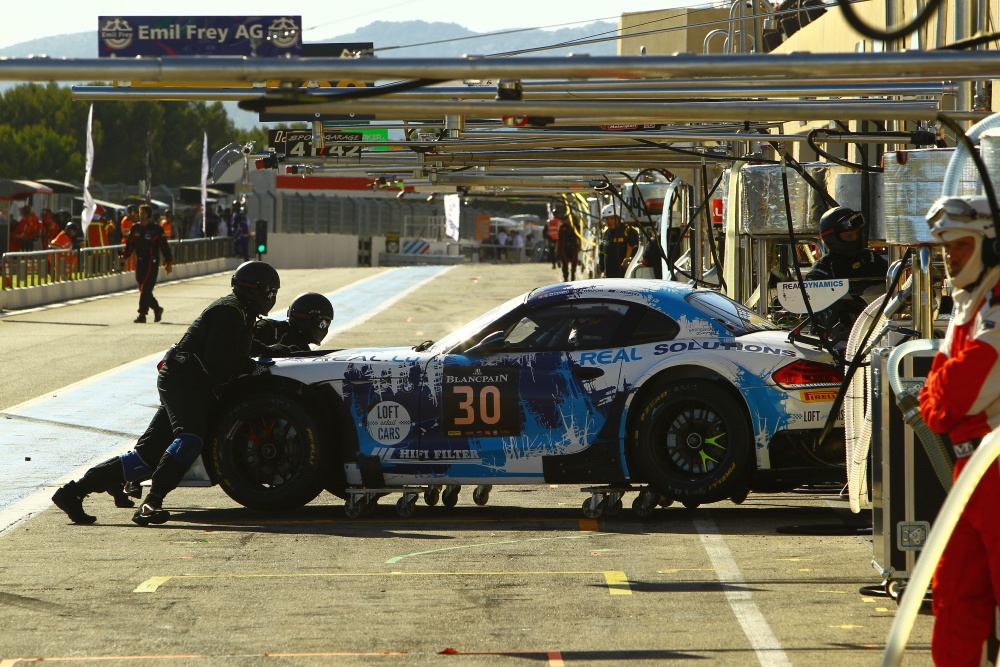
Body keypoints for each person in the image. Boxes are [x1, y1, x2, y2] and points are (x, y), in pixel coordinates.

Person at [51, 261, 282, 526]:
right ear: (264, 291)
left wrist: (282, 350)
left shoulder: (239, 311)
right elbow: (220, 360)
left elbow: (246, 346)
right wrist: (254, 369)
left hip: (186, 381)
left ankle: (71, 492)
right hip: (184, 382)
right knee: (190, 438)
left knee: (145, 457)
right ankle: (153, 502)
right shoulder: (230, 311)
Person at [918, 195, 1000, 666]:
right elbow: (938, 403)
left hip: (993, 467)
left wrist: (944, 392)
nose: (950, 257)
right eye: (946, 247)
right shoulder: (969, 304)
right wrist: (945, 392)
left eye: (960, 246)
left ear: (988, 244)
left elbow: (950, 399)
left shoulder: (996, 306)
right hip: (970, 471)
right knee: (952, 594)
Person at [805, 206, 888, 349]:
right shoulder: (821, 270)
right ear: (832, 238)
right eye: (849, 236)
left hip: (874, 335)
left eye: (857, 233)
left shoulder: (871, 258)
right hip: (835, 342)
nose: (855, 239)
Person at [121, 203, 173, 323]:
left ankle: (142, 314)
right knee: (142, 288)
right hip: (139, 262)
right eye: (140, 212)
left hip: (152, 262)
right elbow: (129, 245)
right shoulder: (135, 228)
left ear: (148, 215)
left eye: (143, 213)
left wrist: (168, 262)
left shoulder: (156, 229)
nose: (140, 215)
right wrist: (123, 257)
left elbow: (164, 246)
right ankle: (157, 308)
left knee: (145, 288)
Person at [252, 292, 334, 356]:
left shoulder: (304, 350)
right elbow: (244, 347)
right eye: (324, 323)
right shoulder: (270, 328)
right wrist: (268, 350)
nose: (325, 328)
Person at [600, 203, 638, 278]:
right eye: (607, 219)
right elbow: (602, 252)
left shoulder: (628, 231)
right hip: (609, 276)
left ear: (618, 218)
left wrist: (630, 261)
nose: (609, 221)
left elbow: (637, 250)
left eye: (612, 218)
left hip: (625, 276)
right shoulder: (605, 234)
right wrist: (602, 269)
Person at [557, 215, 581, 282]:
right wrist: (557, 248)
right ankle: (565, 277)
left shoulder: (576, 226)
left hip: (573, 247)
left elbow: (579, 237)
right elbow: (559, 238)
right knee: (565, 263)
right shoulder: (563, 227)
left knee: (574, 262)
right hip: (564, 247)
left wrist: (580, 246)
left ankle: (573, 276)